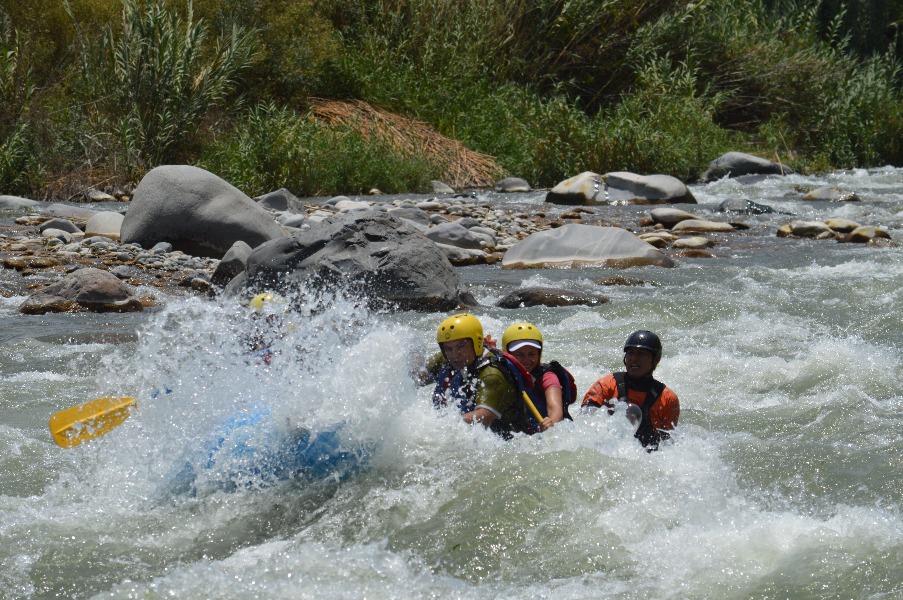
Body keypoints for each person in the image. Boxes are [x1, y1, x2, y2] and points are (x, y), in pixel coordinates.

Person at [431, 313, 529, 439]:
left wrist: (433, 426)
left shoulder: (492, 374)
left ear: (476, 344)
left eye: (461, 346)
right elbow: (417, 377)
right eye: (448, 348)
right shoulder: (450, 359)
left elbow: (483, 417)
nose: (454, 354)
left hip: (506, 444)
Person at [581, 329, 680, 449]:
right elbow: (583, 425)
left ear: (656, 359)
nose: (634, 358)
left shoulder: (667, 398)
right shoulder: (606, 385)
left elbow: (667, 445)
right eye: (630, 353)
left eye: (642, 354)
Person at [500, 322, 577, 432]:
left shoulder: (548, 376)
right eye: (519, 354)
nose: (526, 360)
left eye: (531, 354)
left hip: (539, 432)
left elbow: (555, 407)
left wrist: (552, 422)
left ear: (539, 354)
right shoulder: (498, 371)